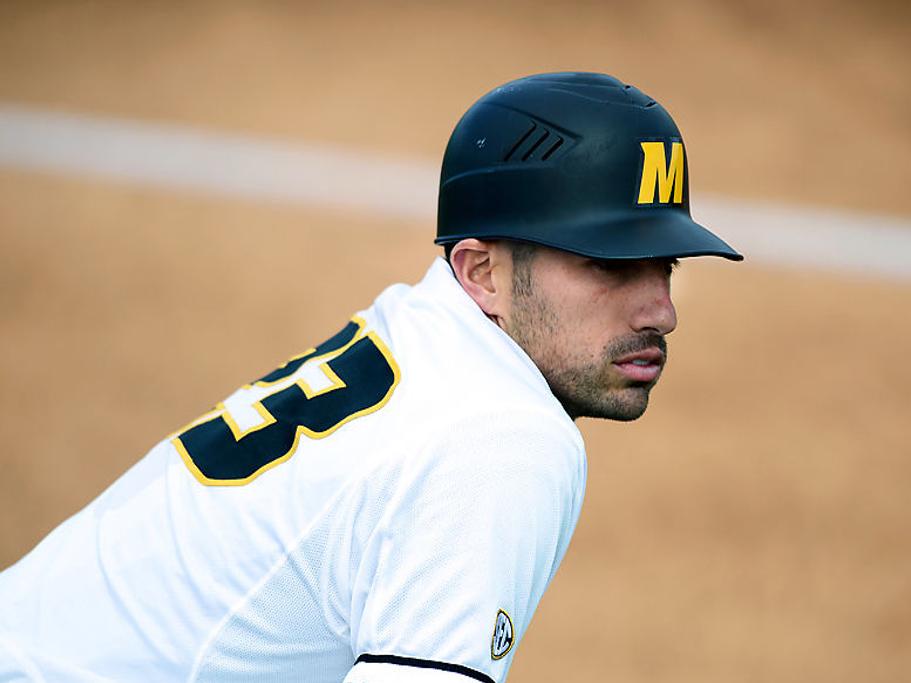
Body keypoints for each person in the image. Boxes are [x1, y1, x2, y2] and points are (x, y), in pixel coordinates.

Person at [0, 72, 741, 682]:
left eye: (663, 264)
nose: (661, 310)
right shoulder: (501, 436)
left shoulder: (417, 334)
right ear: (480, 270)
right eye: (608, 265)